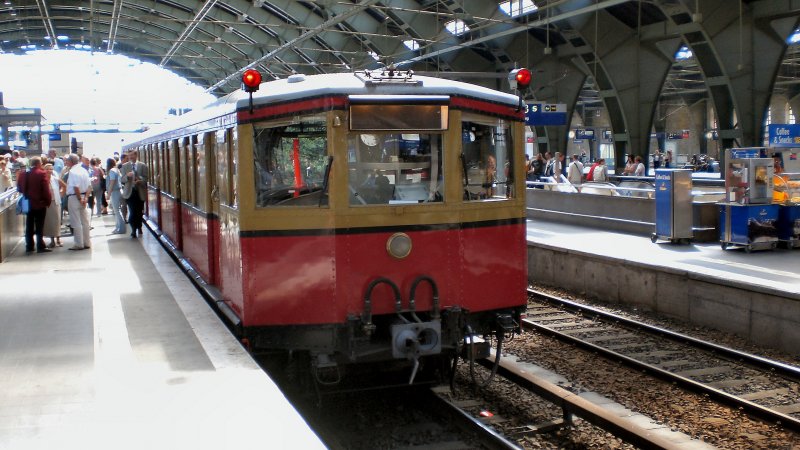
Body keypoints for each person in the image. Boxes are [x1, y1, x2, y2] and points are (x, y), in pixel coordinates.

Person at [19, 157, 53, 254]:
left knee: (29, 224)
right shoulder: (41, 173)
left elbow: (19, 188)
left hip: (27, 203)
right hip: (39, 203)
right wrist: (48, 201)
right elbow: (46, 190)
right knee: (39, 225)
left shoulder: (23, 173)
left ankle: (29, 246)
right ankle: (40, 245)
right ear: (39, 164)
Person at [65, 154, 92, 250]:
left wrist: (80, 199)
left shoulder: (72, 171)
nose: (66, 162)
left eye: (67, 161)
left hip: (74, 197)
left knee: (76, 221)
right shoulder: (84, 170)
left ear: (71, 161)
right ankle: (87, 242)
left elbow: (75, 186)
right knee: (85, 221)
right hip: (84, 196)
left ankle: (78, 243)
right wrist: (85, 198)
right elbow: (89, 186)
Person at [120, 149, 149, 238]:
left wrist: (140, 180)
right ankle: (133, 230)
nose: (131, 157)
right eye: (129, 156)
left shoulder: (143, 166)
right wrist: (127, 177)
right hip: (129, 192)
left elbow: (146, 178)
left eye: (132, 155)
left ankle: (139, 226)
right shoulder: (124, 166)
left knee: (139, 211)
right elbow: (122, 180)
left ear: (136, 155)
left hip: (140, 191)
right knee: (132, 211)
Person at [43, 163, 63, 248]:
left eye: (51, 169)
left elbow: (64, 186)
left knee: (57, 221)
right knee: (50, 223)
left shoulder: (55, 179)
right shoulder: (43, 180)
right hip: (48, 203)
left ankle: (58, 239)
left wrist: (61, 193)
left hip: (56, 202)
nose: (49, 171)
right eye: (47, 169)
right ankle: (52, 241)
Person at [105, 158, 126, 234]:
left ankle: (121, 229)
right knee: (118, 210)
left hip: (114, 192)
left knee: (117, 211)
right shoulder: (117, 170)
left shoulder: (111, 171)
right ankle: (118, 227)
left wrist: (109, 193)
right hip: (119, 191)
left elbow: (112, 182)